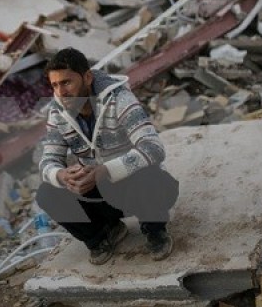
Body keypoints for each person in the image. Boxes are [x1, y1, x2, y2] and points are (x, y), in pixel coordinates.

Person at [36, 47, 179, 265]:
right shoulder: (57, 112)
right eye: (55, 85)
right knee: (47, 192)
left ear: (87, 77)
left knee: (148, 175)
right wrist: (62, 175)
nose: (61, 92)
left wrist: (105, 171)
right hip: (99, 195)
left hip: (136, 189)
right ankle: (104, 234)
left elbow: (153, 148)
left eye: (66, 82)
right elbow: (48, 160)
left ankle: (154, 230)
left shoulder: (119, 98)